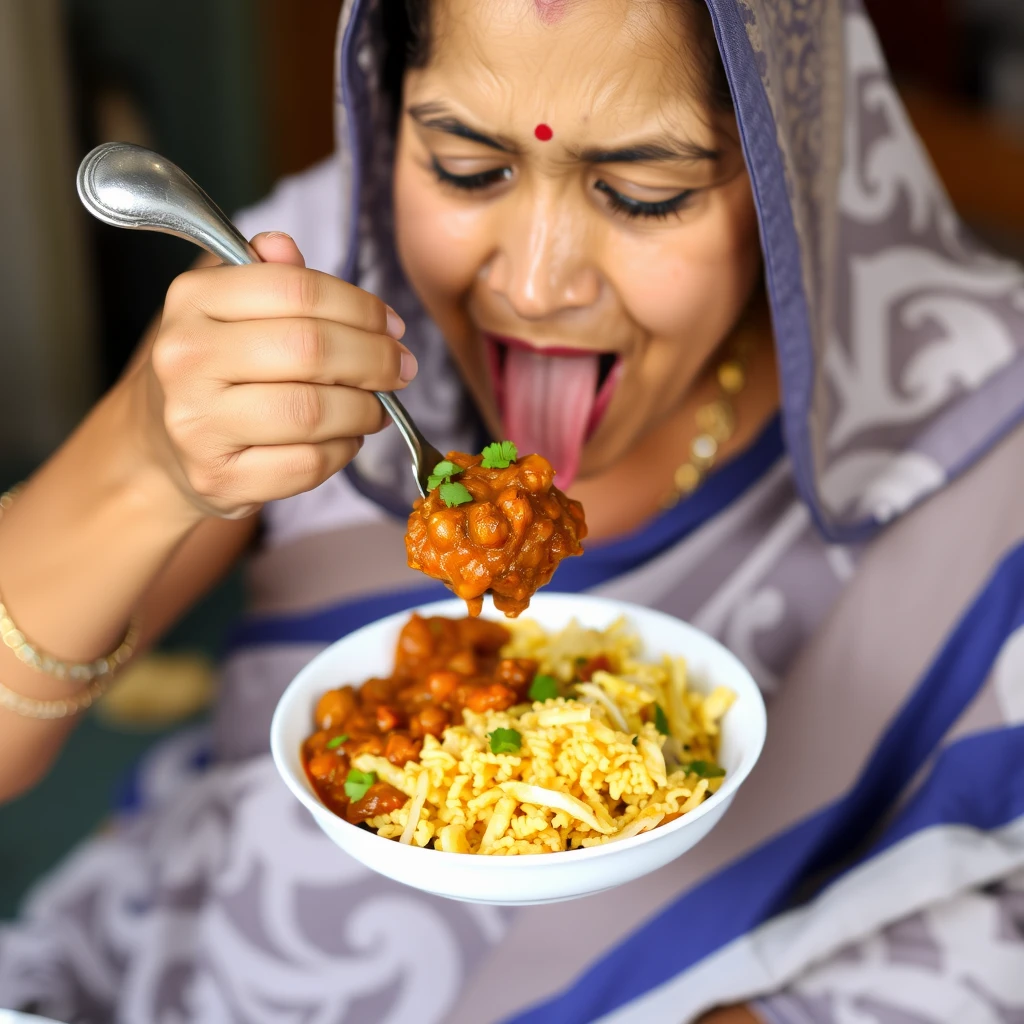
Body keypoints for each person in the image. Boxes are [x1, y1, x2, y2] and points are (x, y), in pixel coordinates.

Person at [2, 0, 1024, 1021]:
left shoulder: (984, 426)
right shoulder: (300, 278)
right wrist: (141, 465)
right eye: (464, 168)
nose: (534, 287)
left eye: (641, 191)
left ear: (786, 155)